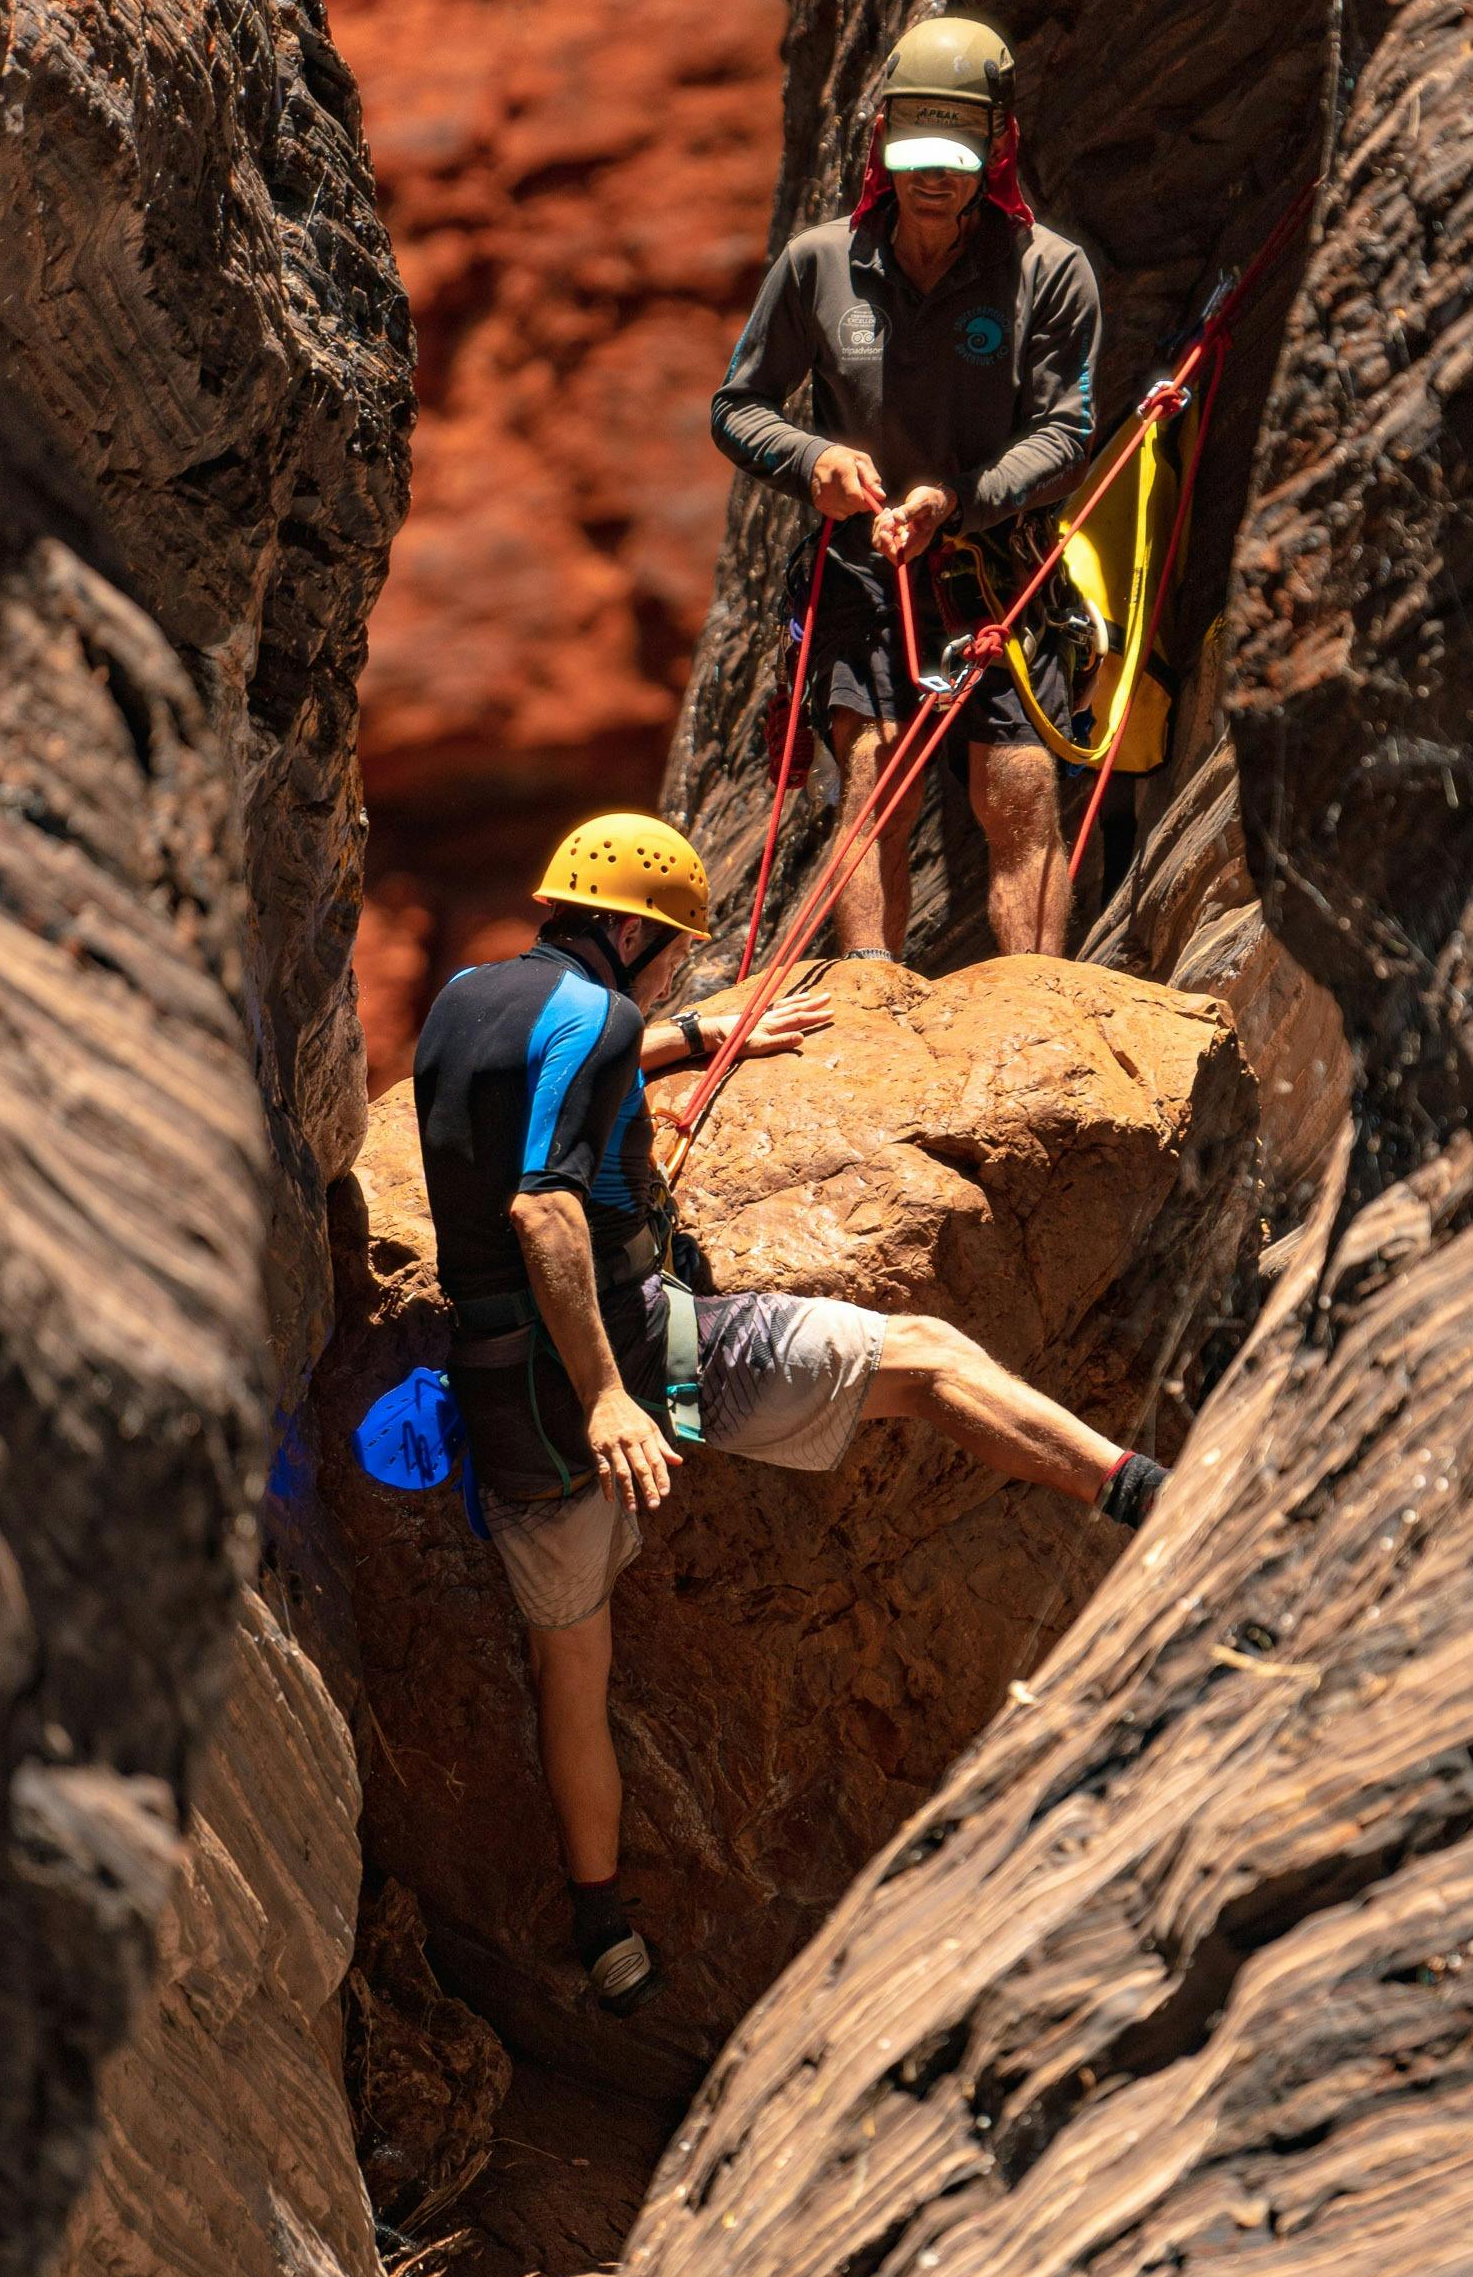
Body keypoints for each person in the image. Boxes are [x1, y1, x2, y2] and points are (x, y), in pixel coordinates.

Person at [410, 810, 1165, 2016]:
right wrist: (611, 1393)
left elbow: (542, 1066)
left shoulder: (462, 999)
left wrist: (691, 1037)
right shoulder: (598, 1019)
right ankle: (1143, 1495)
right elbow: (545, 1206)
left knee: (574, 1668)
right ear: (623, 930)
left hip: (501, 1406)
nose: (676, 972)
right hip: (642, 1367)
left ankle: (604, 1931)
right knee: (923, 1355)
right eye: (671, 954)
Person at [713, 13, 1103, 963]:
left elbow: (1068, 431)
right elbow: (739, 406)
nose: (934, 176)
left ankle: (1036, 1001)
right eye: (915, 151)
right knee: (870, 786)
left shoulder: (1047, 274)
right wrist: (814, 463)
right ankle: (867, 998)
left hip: (997, 569)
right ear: (882, 140)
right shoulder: (819, 265)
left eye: (957, 154)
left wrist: (956, 502)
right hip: (862, 572)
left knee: (1016, 790)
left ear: (999, 144)